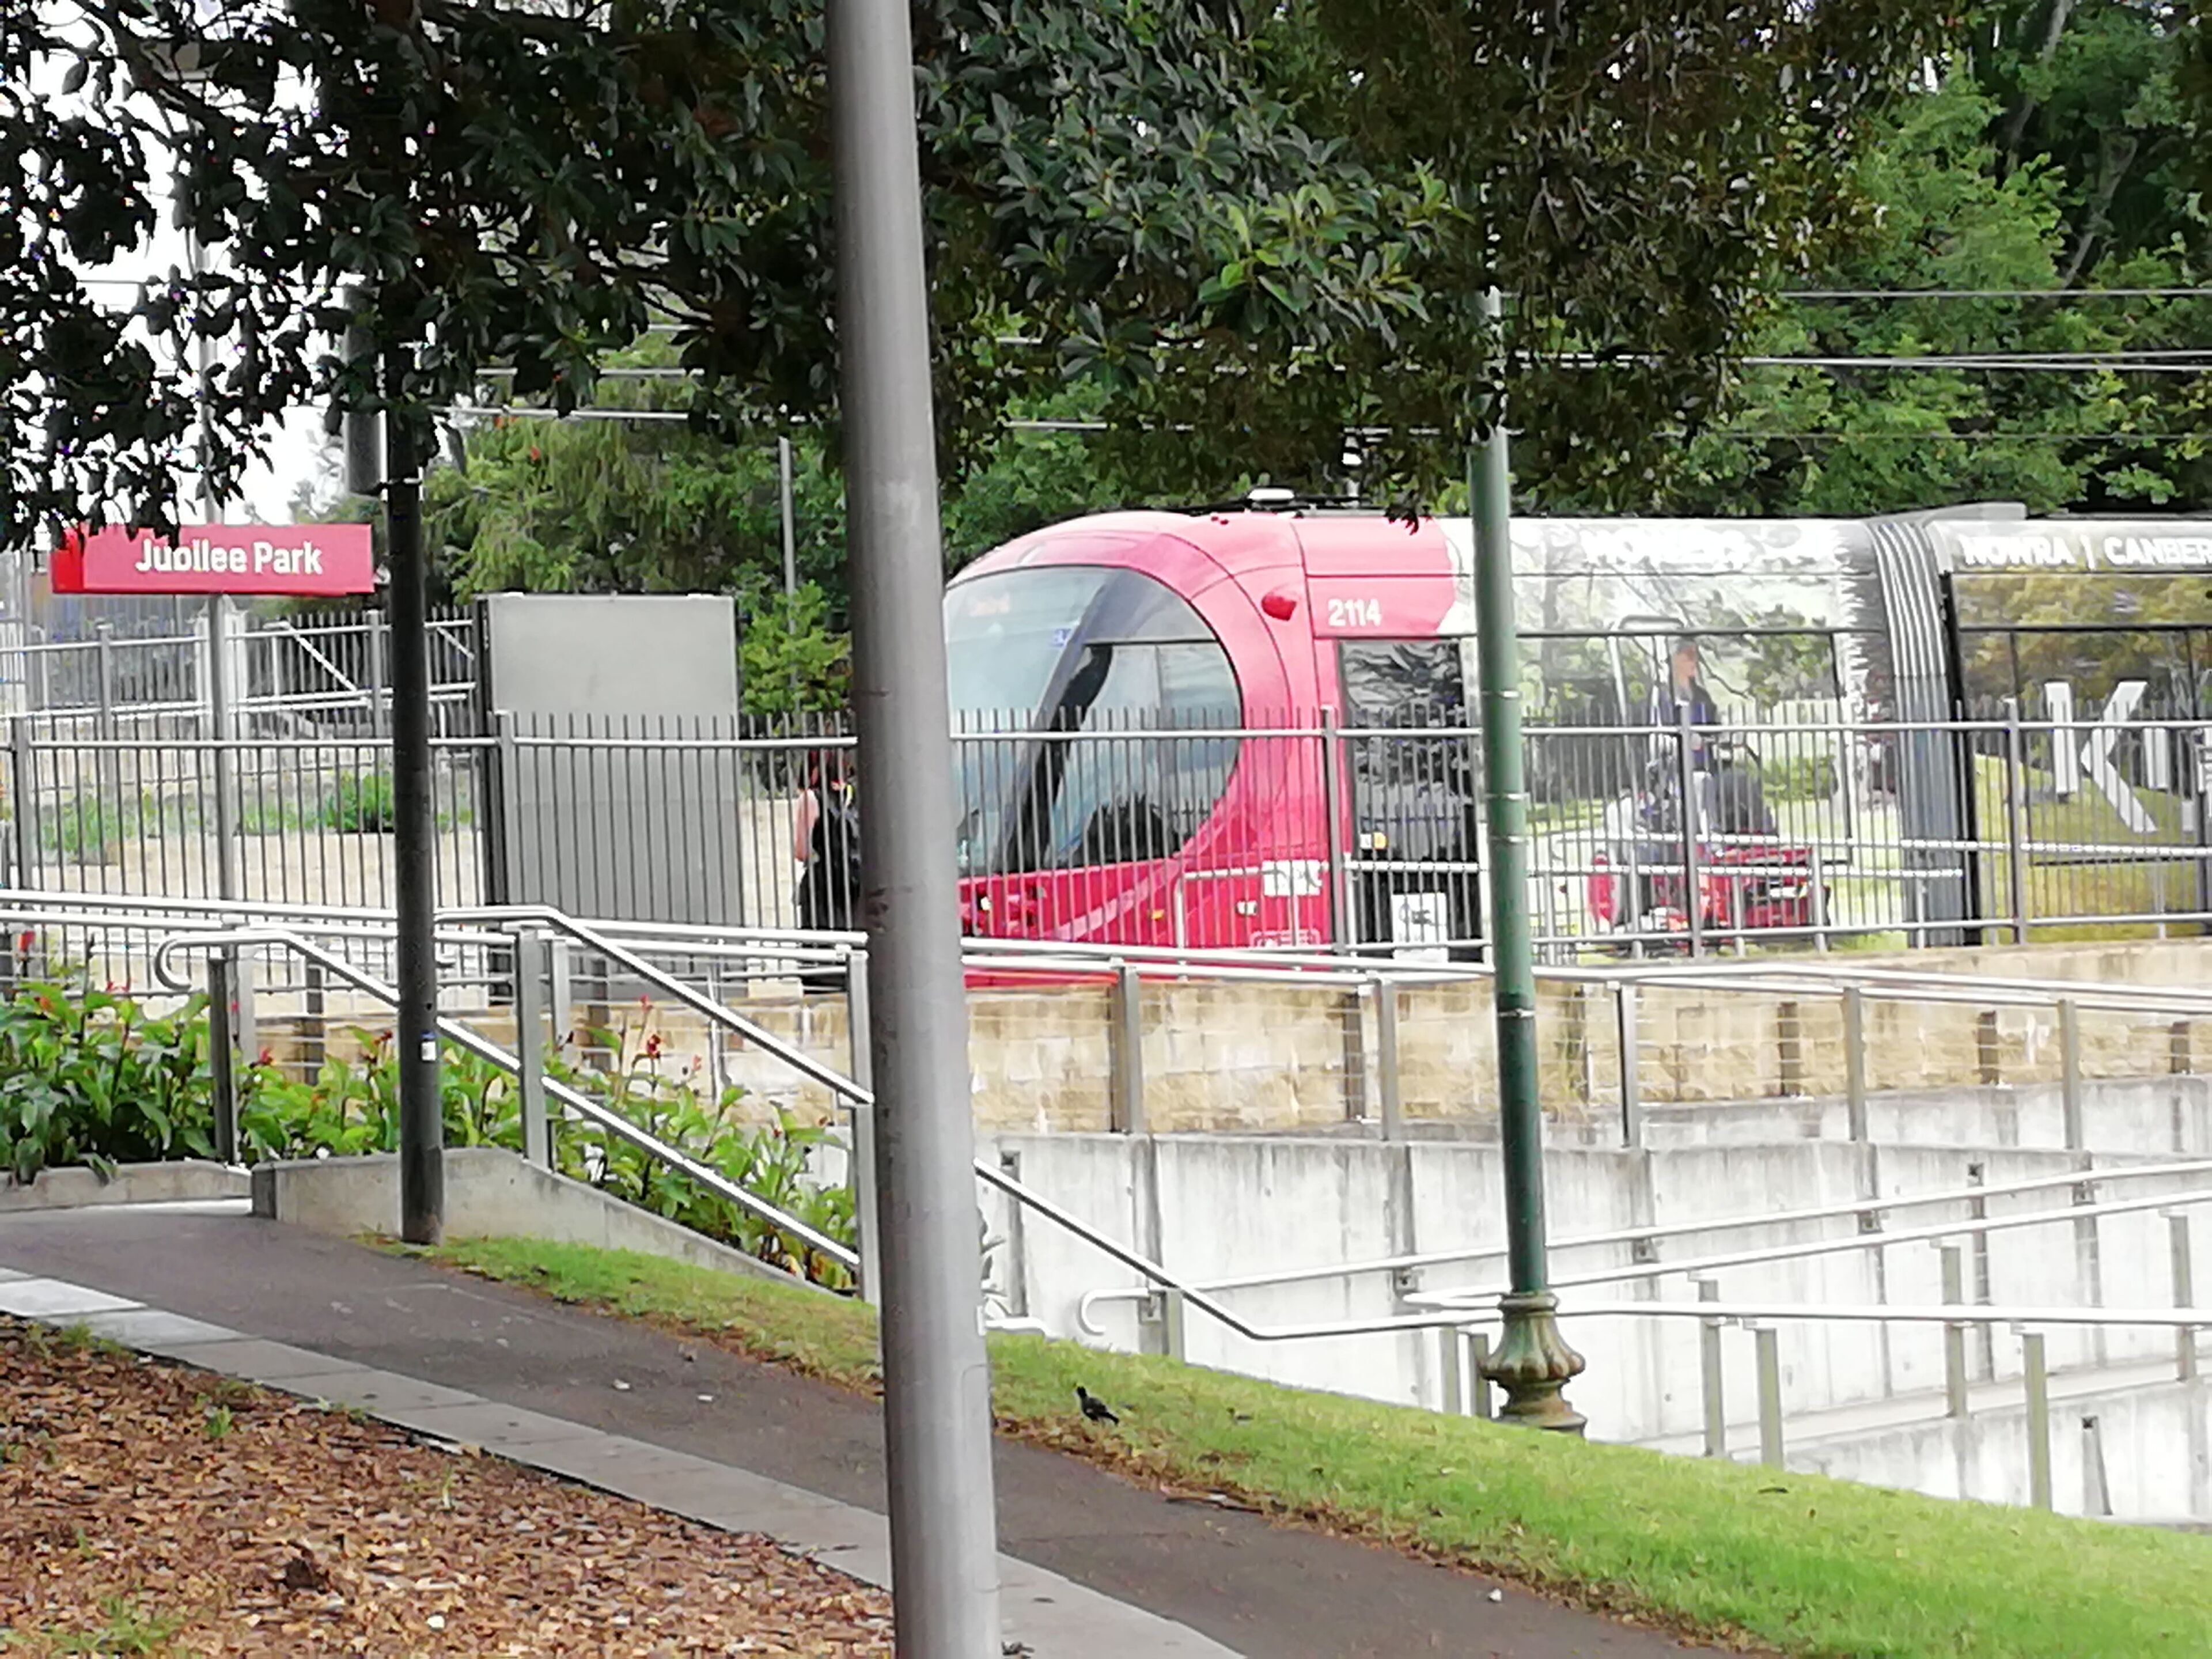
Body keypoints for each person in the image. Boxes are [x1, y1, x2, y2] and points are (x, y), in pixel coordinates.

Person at [793, 751, 860, 994]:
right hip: (854, 884)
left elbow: (801, 851)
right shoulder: (856, 794)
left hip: (822, 886)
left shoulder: (811, 798)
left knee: (820, 952)